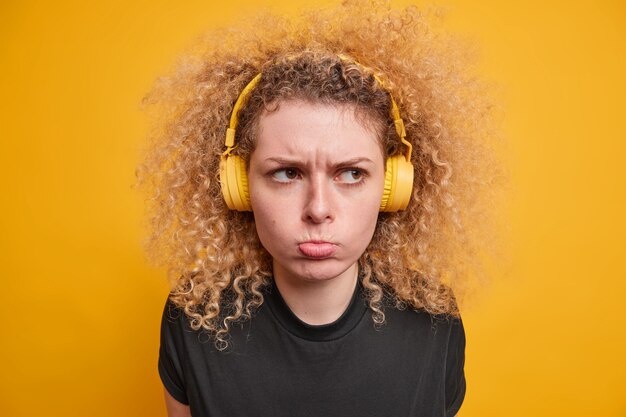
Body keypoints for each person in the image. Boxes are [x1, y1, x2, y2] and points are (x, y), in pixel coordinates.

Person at [138, 1, 501, 416]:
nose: (318, 209)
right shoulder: (192, 318)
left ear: (393, 188)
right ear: (238, 186)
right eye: (287, 173)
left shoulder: (436, 322)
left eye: (350, 174)